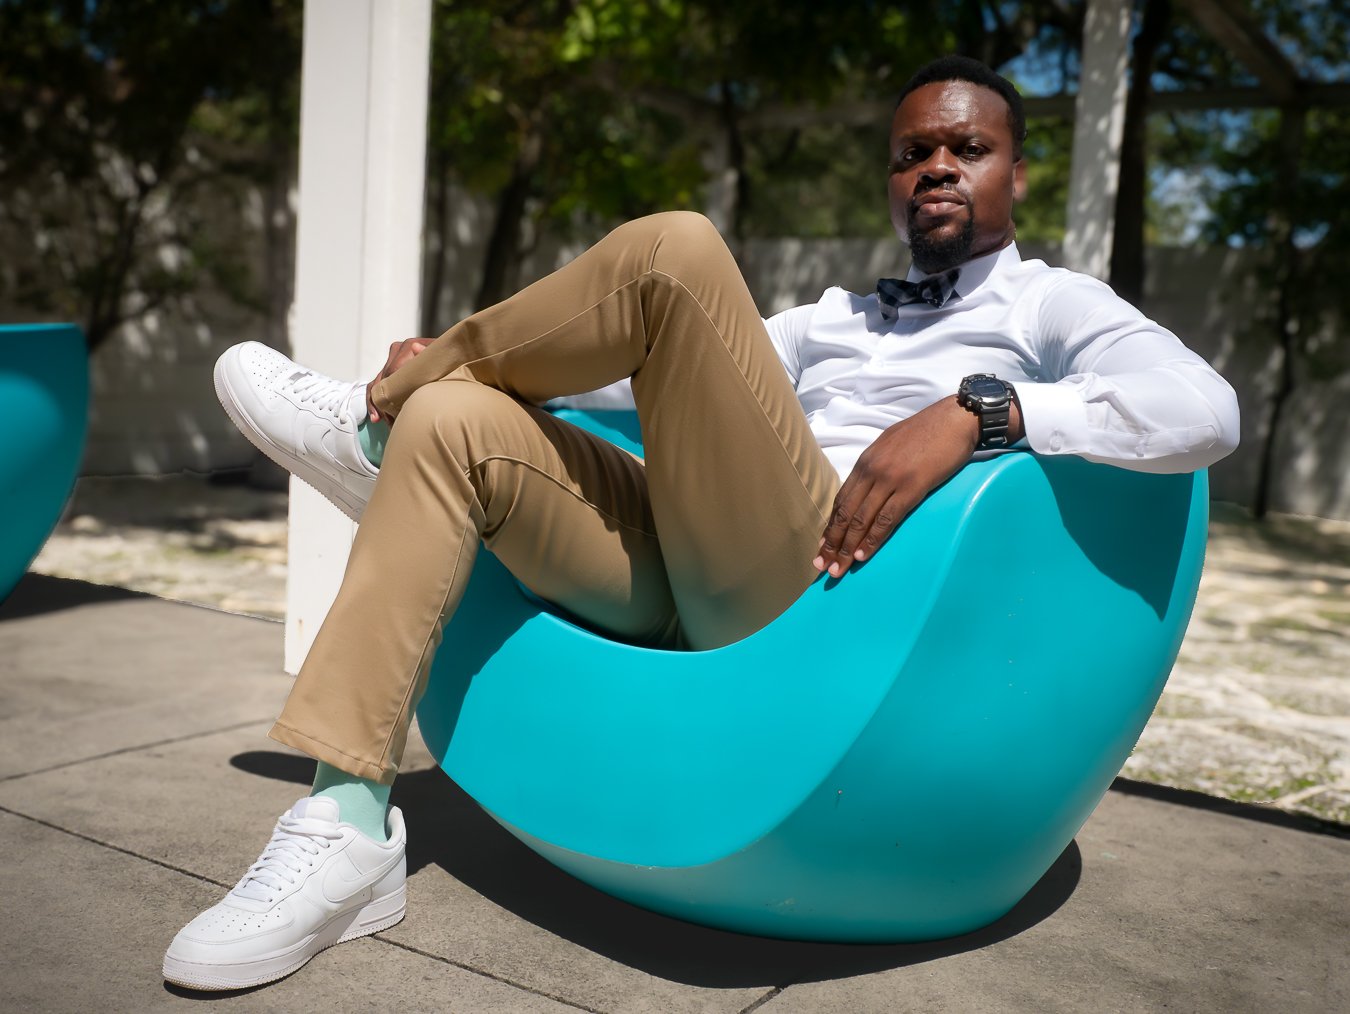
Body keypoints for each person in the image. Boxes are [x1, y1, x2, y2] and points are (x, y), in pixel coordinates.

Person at [163, 55, 1239, 990]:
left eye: (969, 149)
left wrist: (979, 411)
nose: (938, 169)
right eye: (914, 153)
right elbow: (633, 366)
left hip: (833, 591)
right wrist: (458, 370)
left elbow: (1203, 411)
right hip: (696, 567)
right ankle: (344, 826)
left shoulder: (1049, 305)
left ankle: (370, 427)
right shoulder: (834, 320)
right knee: (454, 420)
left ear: (1016, 172)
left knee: (674, 249)